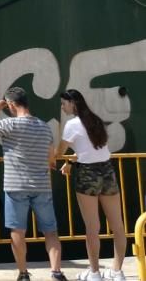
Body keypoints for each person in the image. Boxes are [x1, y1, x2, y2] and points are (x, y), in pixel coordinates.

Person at [0, 87, 67, 281]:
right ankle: (56, 272)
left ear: (11, 104)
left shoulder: (9, 124)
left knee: (17, 231)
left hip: (16, 186)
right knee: (50, 231)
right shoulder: (44, 127)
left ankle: (23, 274)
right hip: (41, 185)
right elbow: (51, 159)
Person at [56, 90, 126, 281]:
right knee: (118, 225)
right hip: (107, 171)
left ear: (72, 103)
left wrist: (62, 158)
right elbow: (93, 149)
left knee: (92, 227)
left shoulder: (71, 125)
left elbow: (59, 152)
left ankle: (94, 273)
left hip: (87, 174)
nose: (62, 108)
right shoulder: (95, 120)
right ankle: (117, 272)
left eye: (64, 104)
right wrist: (71, 161)